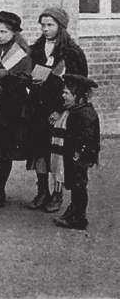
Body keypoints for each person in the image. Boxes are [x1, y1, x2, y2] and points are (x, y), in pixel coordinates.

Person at [26, 7, 88, 213]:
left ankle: (57, 193)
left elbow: (77, 85)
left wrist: (61, 110)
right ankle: (42, 190)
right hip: (37, 110)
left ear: (60, 27)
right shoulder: (36, 49)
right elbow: (29, 74)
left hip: (59, 112)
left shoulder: (72, 53)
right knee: (38, 151)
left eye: (50, 25)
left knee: (57, 154)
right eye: (42, 25)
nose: (45, 29)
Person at [0, 11, 33, 210]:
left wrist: (3, 75)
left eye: (4, 31)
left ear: (14, 32)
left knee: (4, 150)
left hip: (10, 106)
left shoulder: (21, 52)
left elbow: (24, 79)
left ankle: (0, 190)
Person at [51, 74, 100, 230]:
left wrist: (79, 156)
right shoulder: (75, 111)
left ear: (77, 97)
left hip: (80, 157)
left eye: (67, 93)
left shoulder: (85, 114)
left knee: (79, 185)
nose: (62, 95)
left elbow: (88, 140)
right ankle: (73, 211)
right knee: (74, 184)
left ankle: (79, 218)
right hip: (74, 155)